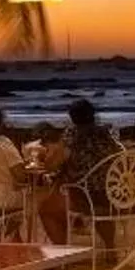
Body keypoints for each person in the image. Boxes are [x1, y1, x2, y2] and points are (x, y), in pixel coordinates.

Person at [33, 99, 114, 239]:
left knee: (46, 210)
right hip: (114, 195)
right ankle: (109, 248)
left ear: (72, 117)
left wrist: (44, 158)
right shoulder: (106, 135)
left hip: (85, 196)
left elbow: (52, 166)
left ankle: (63, 255)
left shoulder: (73, 136)